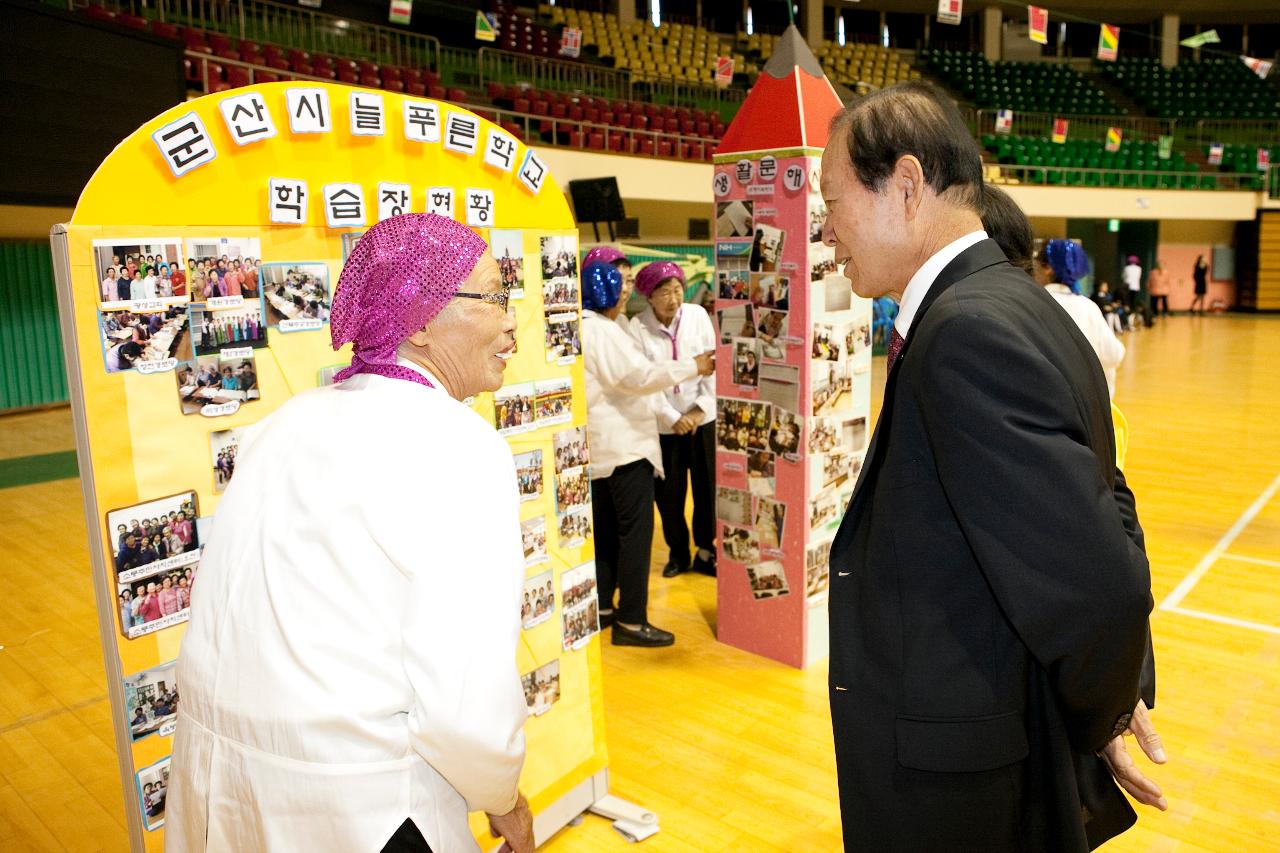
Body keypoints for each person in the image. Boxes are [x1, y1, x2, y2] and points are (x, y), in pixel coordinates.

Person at [820, 81, 1163, 852]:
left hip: (962, 781)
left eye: (832, 205)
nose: (827, 232)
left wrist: (1103, 712)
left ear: (906, 187)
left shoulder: (964, 332)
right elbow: (1109, 496)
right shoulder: (1021, 302)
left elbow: (1095, 578)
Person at [167, 214, 534, 853]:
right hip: (364, 807)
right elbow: (464, 702)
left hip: (221, 793)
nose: (513, 324)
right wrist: (505, 800)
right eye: (496, 297)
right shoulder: (457, 446)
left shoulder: (284, 423)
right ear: (419, 318)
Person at [581, 262, 714, 647]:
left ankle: (604, 608)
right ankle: (632, 620)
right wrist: (693, 366)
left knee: (605, 535)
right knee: (635, 536)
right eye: (619, 285)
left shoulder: (586, 327)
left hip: (603, 449)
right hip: (625, 450)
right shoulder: (607, 331)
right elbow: (639, 377)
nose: (624, 292)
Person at [629, 261, 718, 578]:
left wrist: (698, 411)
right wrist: (671, 417)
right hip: (664, 427)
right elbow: (642, 382)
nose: (673, 298)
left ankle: (707, 551)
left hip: (702, 420)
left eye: (677, 289)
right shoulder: (637, 327)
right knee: (669, 496)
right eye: (664, 292)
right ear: (649, 297)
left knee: (708, 491)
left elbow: (713, 365)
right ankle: (678, 554)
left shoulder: (697, 315)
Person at [1034, 240, 1126, 398]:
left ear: (1048, 268)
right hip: (1084, 408)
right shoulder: (1087, 307)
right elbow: (1113, 354)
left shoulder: (1030, 304)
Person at [583, 246, 635, 330]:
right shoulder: (585, 323)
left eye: (629, 281)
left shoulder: (622, 321)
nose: (625, 289)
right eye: (617, 280)